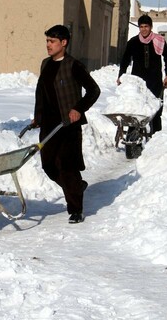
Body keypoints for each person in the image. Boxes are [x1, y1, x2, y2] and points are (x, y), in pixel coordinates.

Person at [32, 25, 100, 224]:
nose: (48, 45)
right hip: (49, 125)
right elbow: (40, 93)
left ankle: (76, 209)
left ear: (64, 43)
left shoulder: (73, 65)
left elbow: (94, 91)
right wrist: (38, 116)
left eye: (52, 41)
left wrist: (78, 108)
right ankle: (77, 187)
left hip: (68, 125)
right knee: (48, 165)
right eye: (47, 41)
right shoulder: (45, 64)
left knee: (67, 167)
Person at [117, 14, 167, 133]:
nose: (144, 29)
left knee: (155, 112)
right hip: (137, 82)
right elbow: (125, 60)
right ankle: (132, 139)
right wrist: (120, 76)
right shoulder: (133, 42)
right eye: (141, 26)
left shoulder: (159, 41)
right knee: (136, 112)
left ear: (151, 27)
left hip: (155, 82)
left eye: (146, 26)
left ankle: (156, 139)